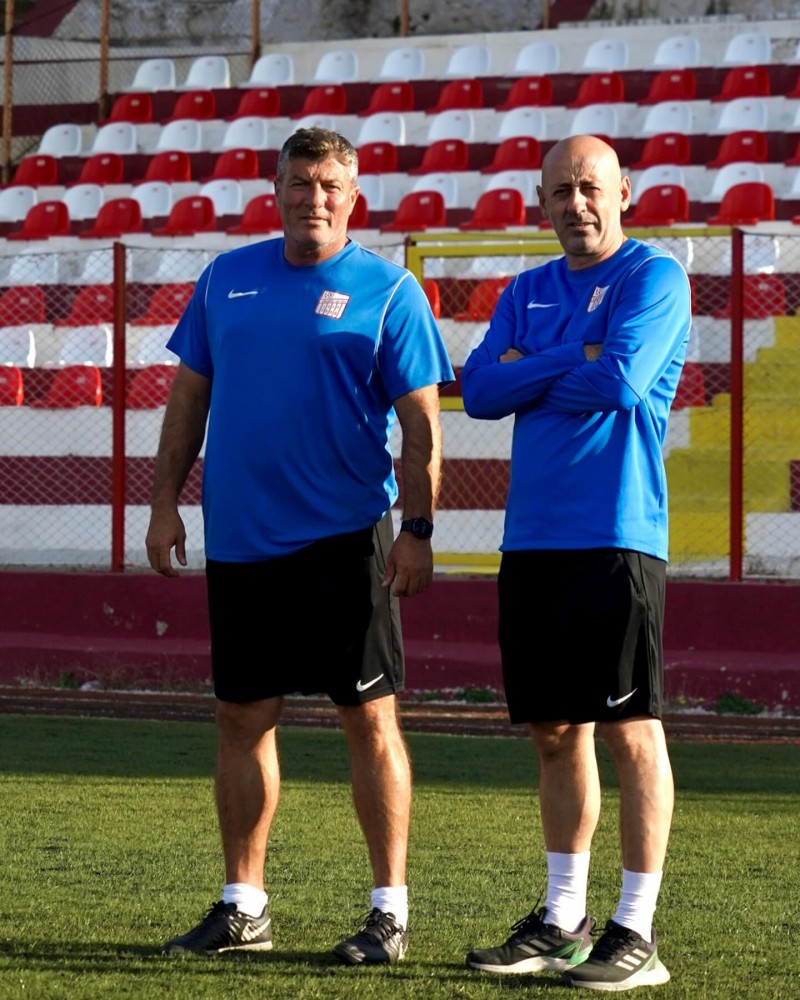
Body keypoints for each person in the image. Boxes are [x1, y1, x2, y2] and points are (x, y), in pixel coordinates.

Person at [145, 127, 454, 964]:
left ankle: (389, 912)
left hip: (347, 543)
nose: (312, 198)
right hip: (241, 542)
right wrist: (165, 503)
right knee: (241, 717)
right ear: (275, 190)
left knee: (369, 718)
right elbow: (188, 400)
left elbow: (423, 429)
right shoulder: (224, 279)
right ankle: (243, 906)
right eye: (298, 182)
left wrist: (418, 529)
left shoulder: (391, 292)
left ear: (353, 198)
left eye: (327, 185)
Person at [461, 135, 691, 991]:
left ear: (624, 191)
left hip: (616, 534)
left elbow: (623, 380)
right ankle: (563, 921)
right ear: (542, 201)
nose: (576, 203)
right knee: (555, 733)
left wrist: (532, 367)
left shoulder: (653, 276)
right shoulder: (525, 289)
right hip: (533, 540)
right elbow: (477, 391)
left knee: (631, 730)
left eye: (590, 187)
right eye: (560, 191)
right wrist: (574, 358)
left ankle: (636, 931)